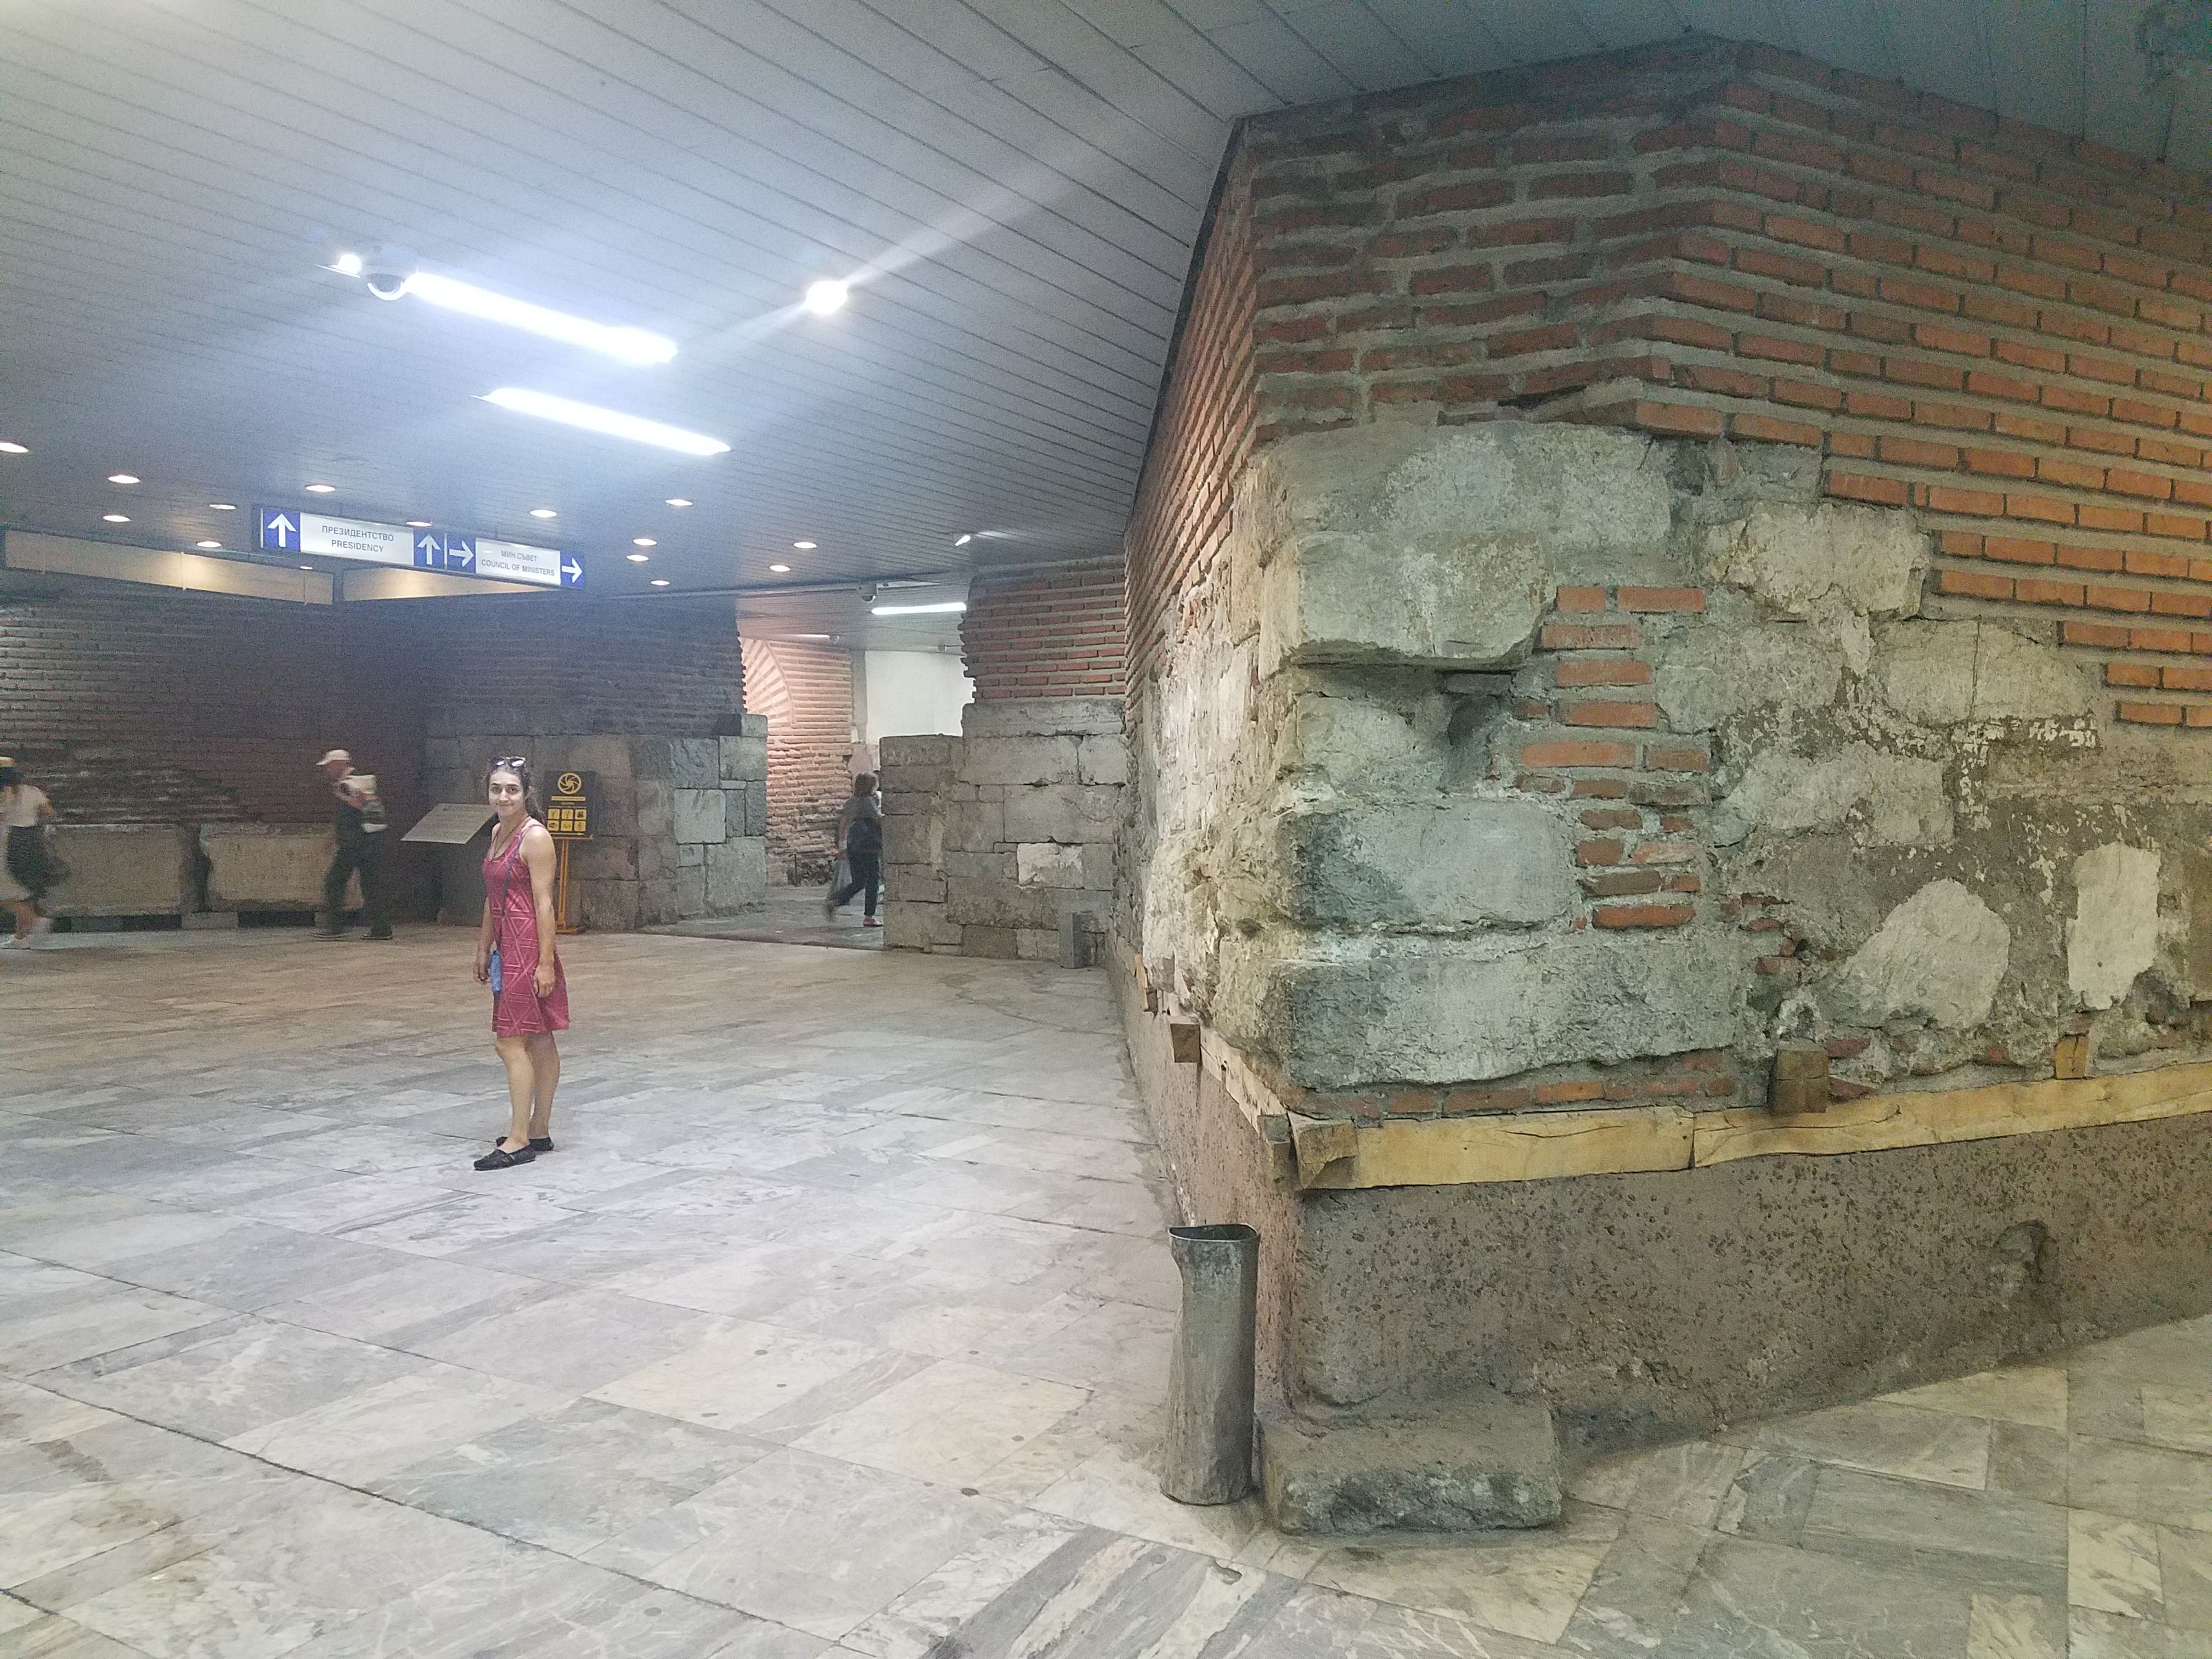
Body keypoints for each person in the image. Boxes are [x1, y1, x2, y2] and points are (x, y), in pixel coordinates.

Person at [473, 757, 568, 1170]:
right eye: (496, 789)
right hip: (506, 946)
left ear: (526, 793)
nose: (503, 797)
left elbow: (545, 903)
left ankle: (518, 1139)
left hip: (527, 947)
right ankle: (539, 1128)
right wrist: (484, 947)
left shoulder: (536, 838)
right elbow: (492, 896)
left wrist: (545, 962)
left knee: (509, 1042)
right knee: (540, 1038)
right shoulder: (498, 832)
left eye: (512, 789)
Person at [316, 749, 392, 940]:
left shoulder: (352, 782)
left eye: (329, 766)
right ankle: (381, 929)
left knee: (334, 882)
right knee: (371, 886)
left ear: (339, 764)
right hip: (366, 842)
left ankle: (335, 927)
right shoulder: (355, 780)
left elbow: (359, 805)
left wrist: (343, 794)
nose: (327, 770)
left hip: (355, 844)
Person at [0, 758, 58, 948]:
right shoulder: (33, 791)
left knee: (7, 894)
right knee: (25, 891)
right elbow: (50, 813)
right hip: (32, 842)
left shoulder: (4, 795)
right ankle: (21, 937)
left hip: (8, 843)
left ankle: (36, 920)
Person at [825, 771, 884, 928]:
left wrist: (842, 845)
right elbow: (877, 818)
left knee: (859, 880)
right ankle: (869, 916)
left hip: (853, 843)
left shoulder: (851, 801)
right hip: (869, 844)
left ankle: (836, 900)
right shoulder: (868, 801)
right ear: (871, 786)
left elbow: (844, 823)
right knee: (873, 880)